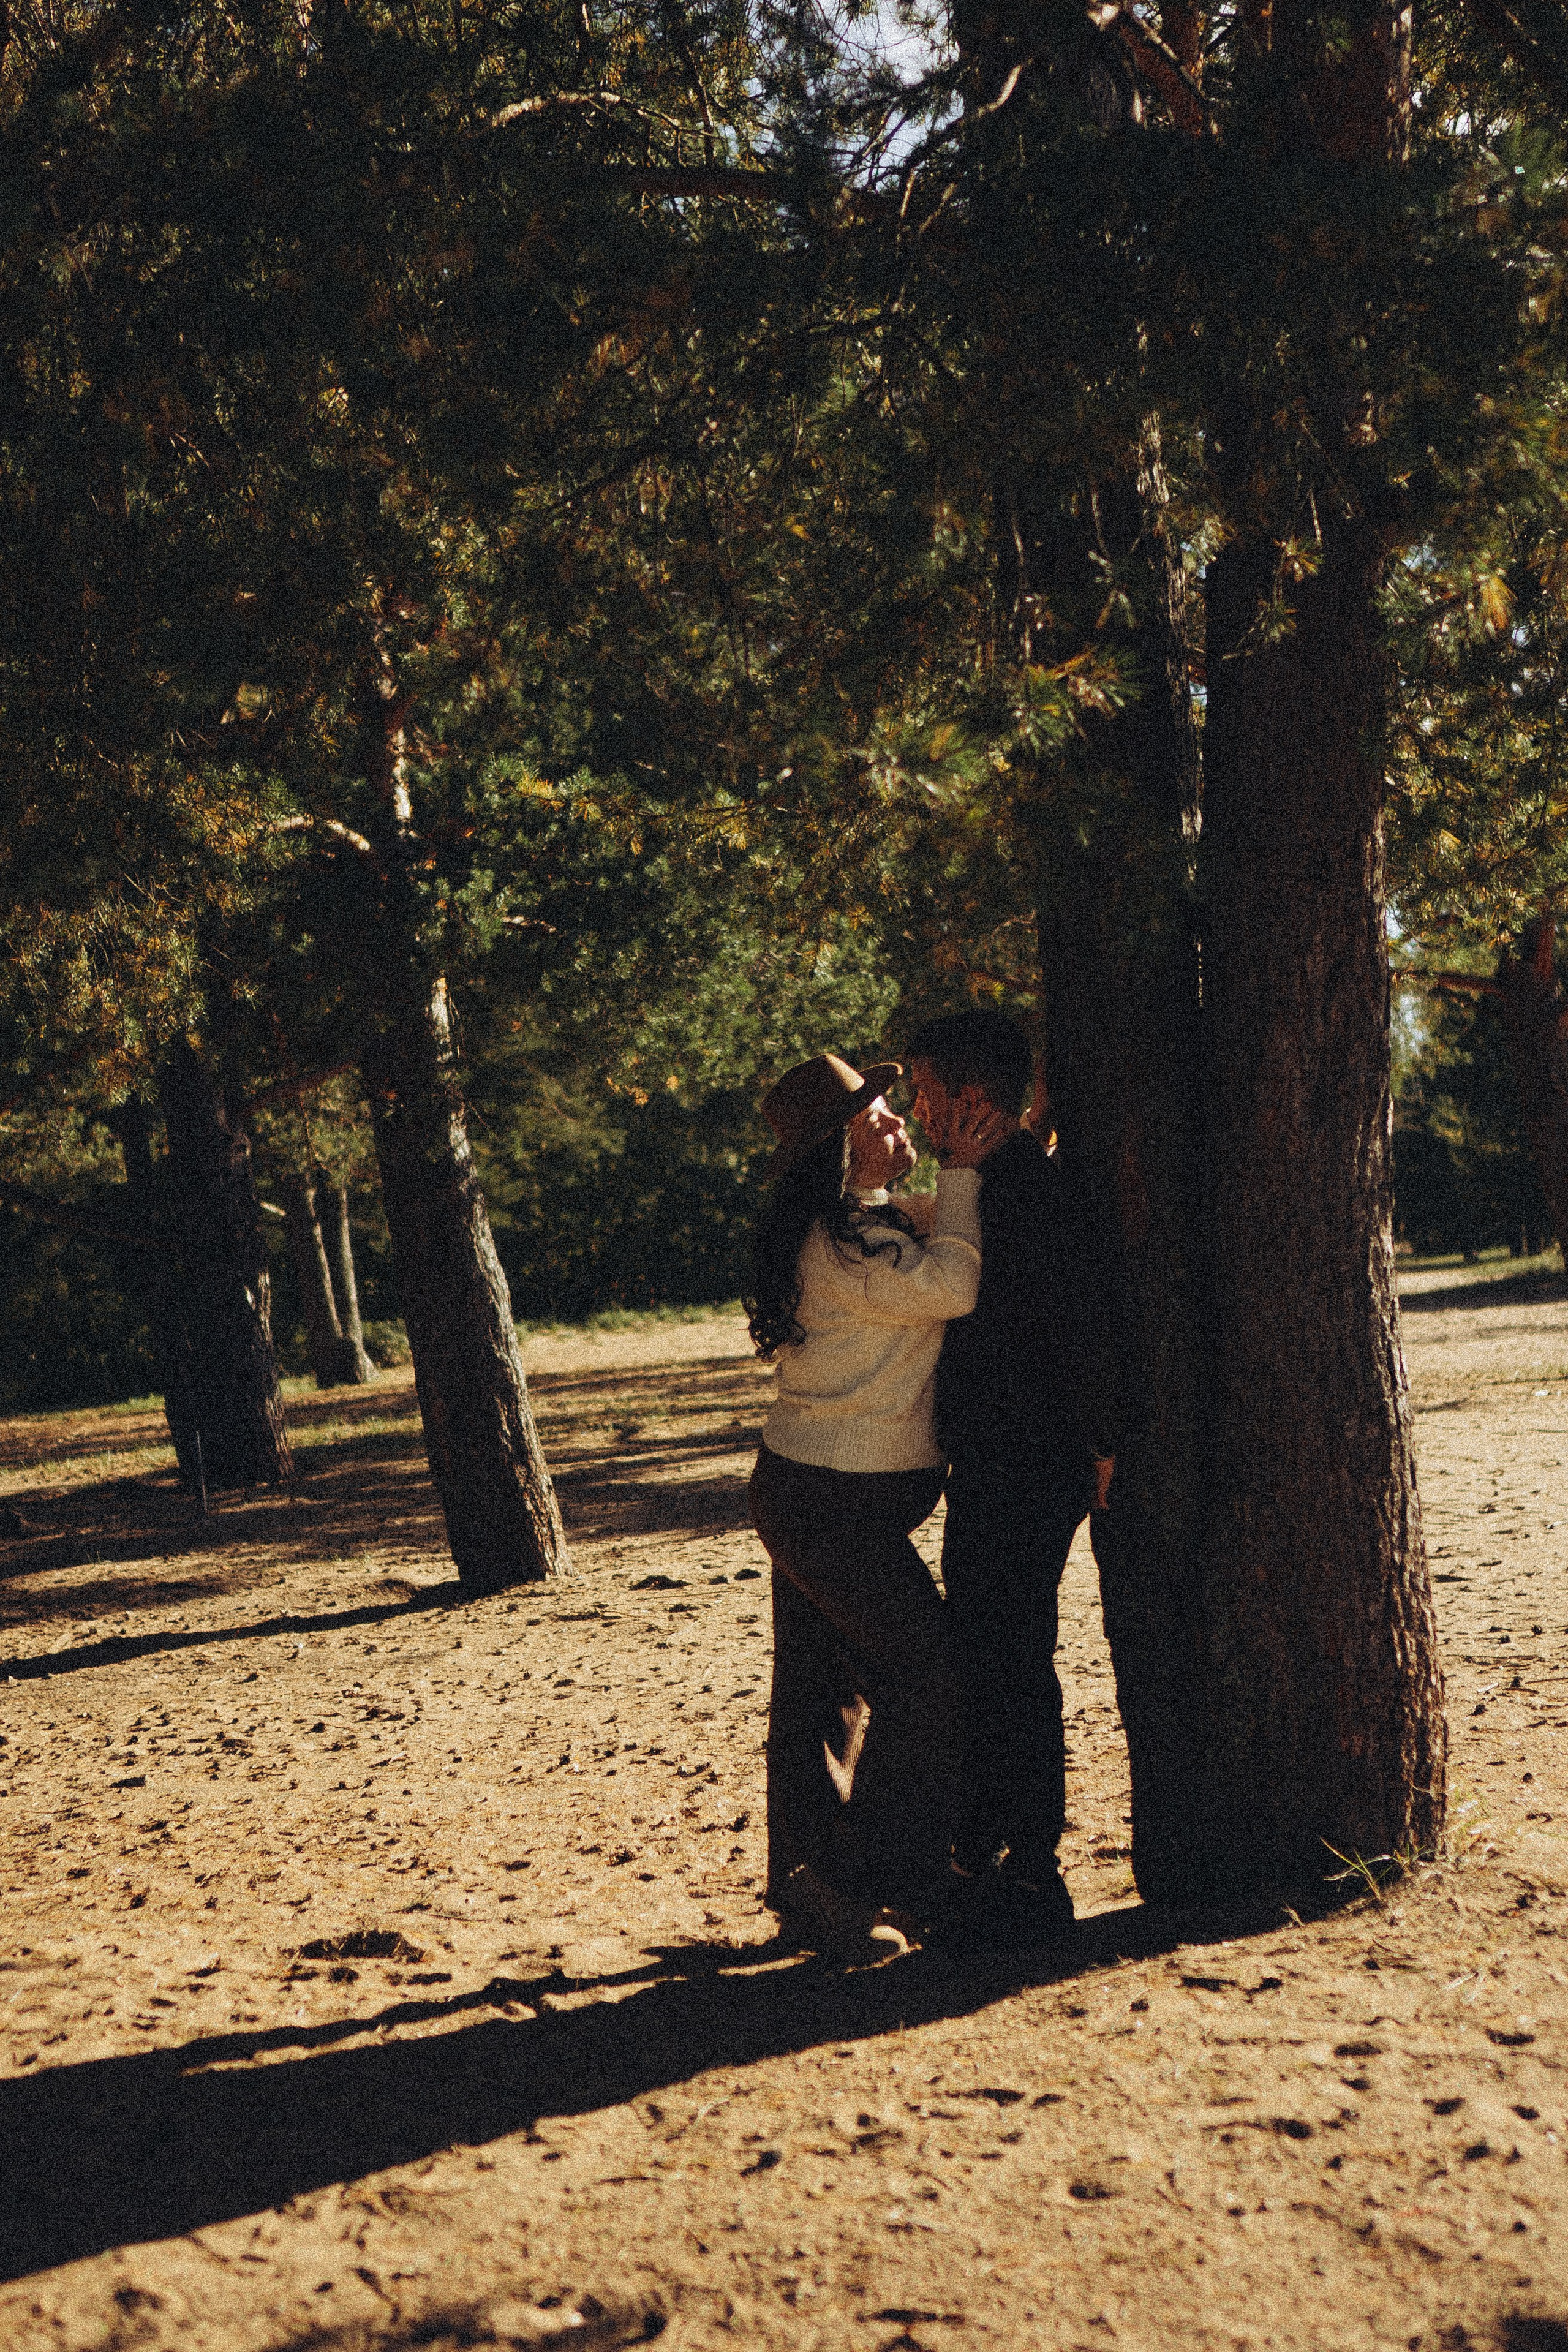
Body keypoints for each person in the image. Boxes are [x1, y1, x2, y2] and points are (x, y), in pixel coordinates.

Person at [745, 1050, 998, 1962]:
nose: (900, 1125)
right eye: (879, 1119)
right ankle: (881, 1878)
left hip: (812, 1496)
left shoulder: (854, 1226)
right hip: (826, 1508)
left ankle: (813, 1885)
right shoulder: (851, 1247)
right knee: (925, 1677)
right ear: (838, 1153)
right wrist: (965, 1172)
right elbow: (955, 1284)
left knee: (819, 1695)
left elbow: (927, 1239)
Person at [907, 1008, 1121, 1945]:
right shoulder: (989, 1177)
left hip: (1026, 1462)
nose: (915, 1112)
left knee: (1010, 1663)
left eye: (924, 1092)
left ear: (972, 1098)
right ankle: (992, 1853)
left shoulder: (1020, 1191)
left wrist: (1102, 1442)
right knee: (995, 1658)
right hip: (1001, 1459)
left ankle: (1028, 1870)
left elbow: (1079, 1322)